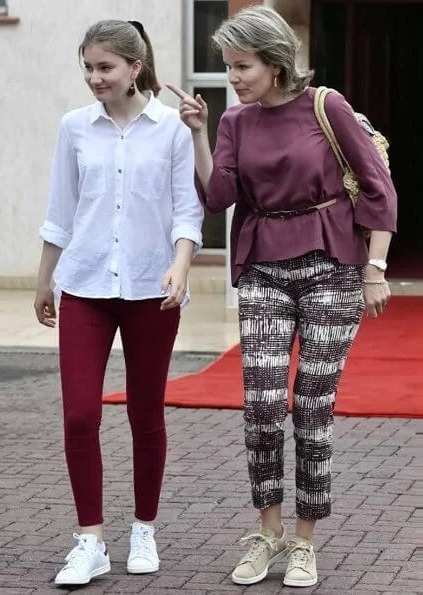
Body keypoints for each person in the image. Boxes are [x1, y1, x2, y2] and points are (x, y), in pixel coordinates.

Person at [167, 5, 396, 589]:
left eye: (242, 66)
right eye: (227, 66)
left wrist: (375, 266)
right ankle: (266, 531)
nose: (232, 77)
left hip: (332, 266)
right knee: (263, 406)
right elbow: (218, 196)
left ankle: (303, 540)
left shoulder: (327, 106)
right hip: (264, 265)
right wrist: (198, 131)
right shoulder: (234, 122)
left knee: (312, 408)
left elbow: (377, 186)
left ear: (274, 62)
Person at [34, 19, 203, 586]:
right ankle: (90, 541)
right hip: (83, 285)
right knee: (81, 414)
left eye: (104, 67)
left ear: (135, 67)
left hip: (153, 290)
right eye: (88, 68)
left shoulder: (172, 132)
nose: (94, 78)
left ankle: (144, 530)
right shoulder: (74, 128)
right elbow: (61, 209)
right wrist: (44, 278)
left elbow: (187, 211)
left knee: (144, 413)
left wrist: (180, 265)